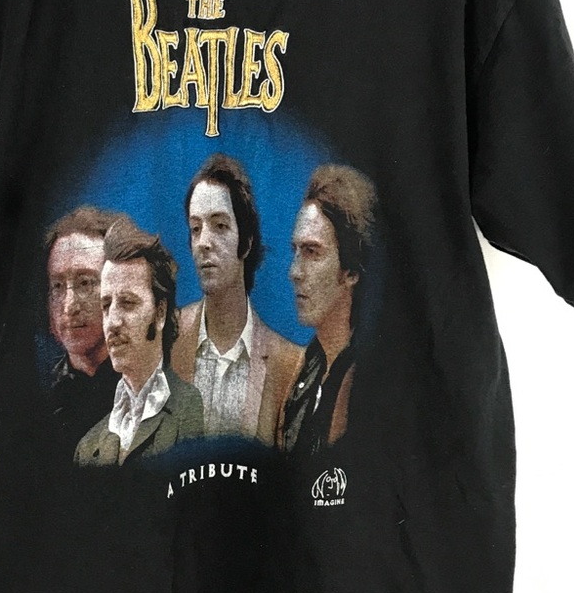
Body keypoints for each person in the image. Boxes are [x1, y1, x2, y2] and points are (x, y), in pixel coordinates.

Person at [172, 153, 301, 442]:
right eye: (195, 229)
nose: (203, 243)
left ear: (247, 242)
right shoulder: (166, 339)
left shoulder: (289, 363)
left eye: (219, 226)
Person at [75, 216, 203, 465]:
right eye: (106, 305)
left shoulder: (194, 412)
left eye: (127, 303)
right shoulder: (88, 448)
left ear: (160, 313)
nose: (112, 322)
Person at [279, 164, 377, 456]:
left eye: (311, 252)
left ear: (351, 271)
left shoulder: (371, 377)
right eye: (295, 251)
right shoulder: (305, 371)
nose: (294, 272)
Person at [44, 205, 122, 460]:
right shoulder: (39, 396)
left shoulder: (152, 387)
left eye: (85, 283)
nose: (69, 306)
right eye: (57, 286)